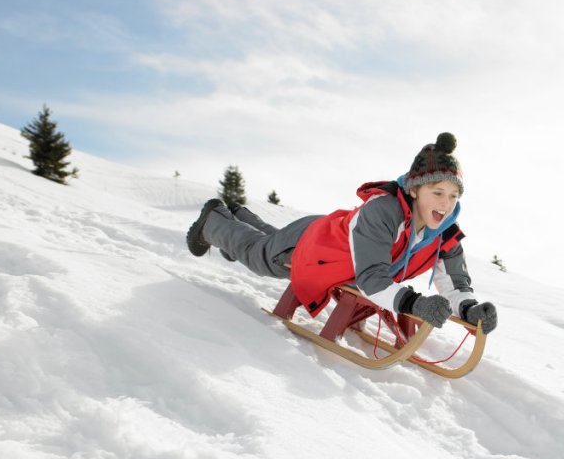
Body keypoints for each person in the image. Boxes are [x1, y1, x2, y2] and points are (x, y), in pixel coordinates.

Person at [186, 132, 497, 334]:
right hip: (316, 244)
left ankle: (240, 215)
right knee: (260, 256)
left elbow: (454, 281)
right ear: (415, 189)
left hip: (339, 247)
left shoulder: (445, 232)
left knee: (268, 243)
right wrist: (414, 305)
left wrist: (470, 309)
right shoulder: (383, 212)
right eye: (437, 192)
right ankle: (213, 220)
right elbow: (372, 280)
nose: (445, 204)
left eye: (453, 196)